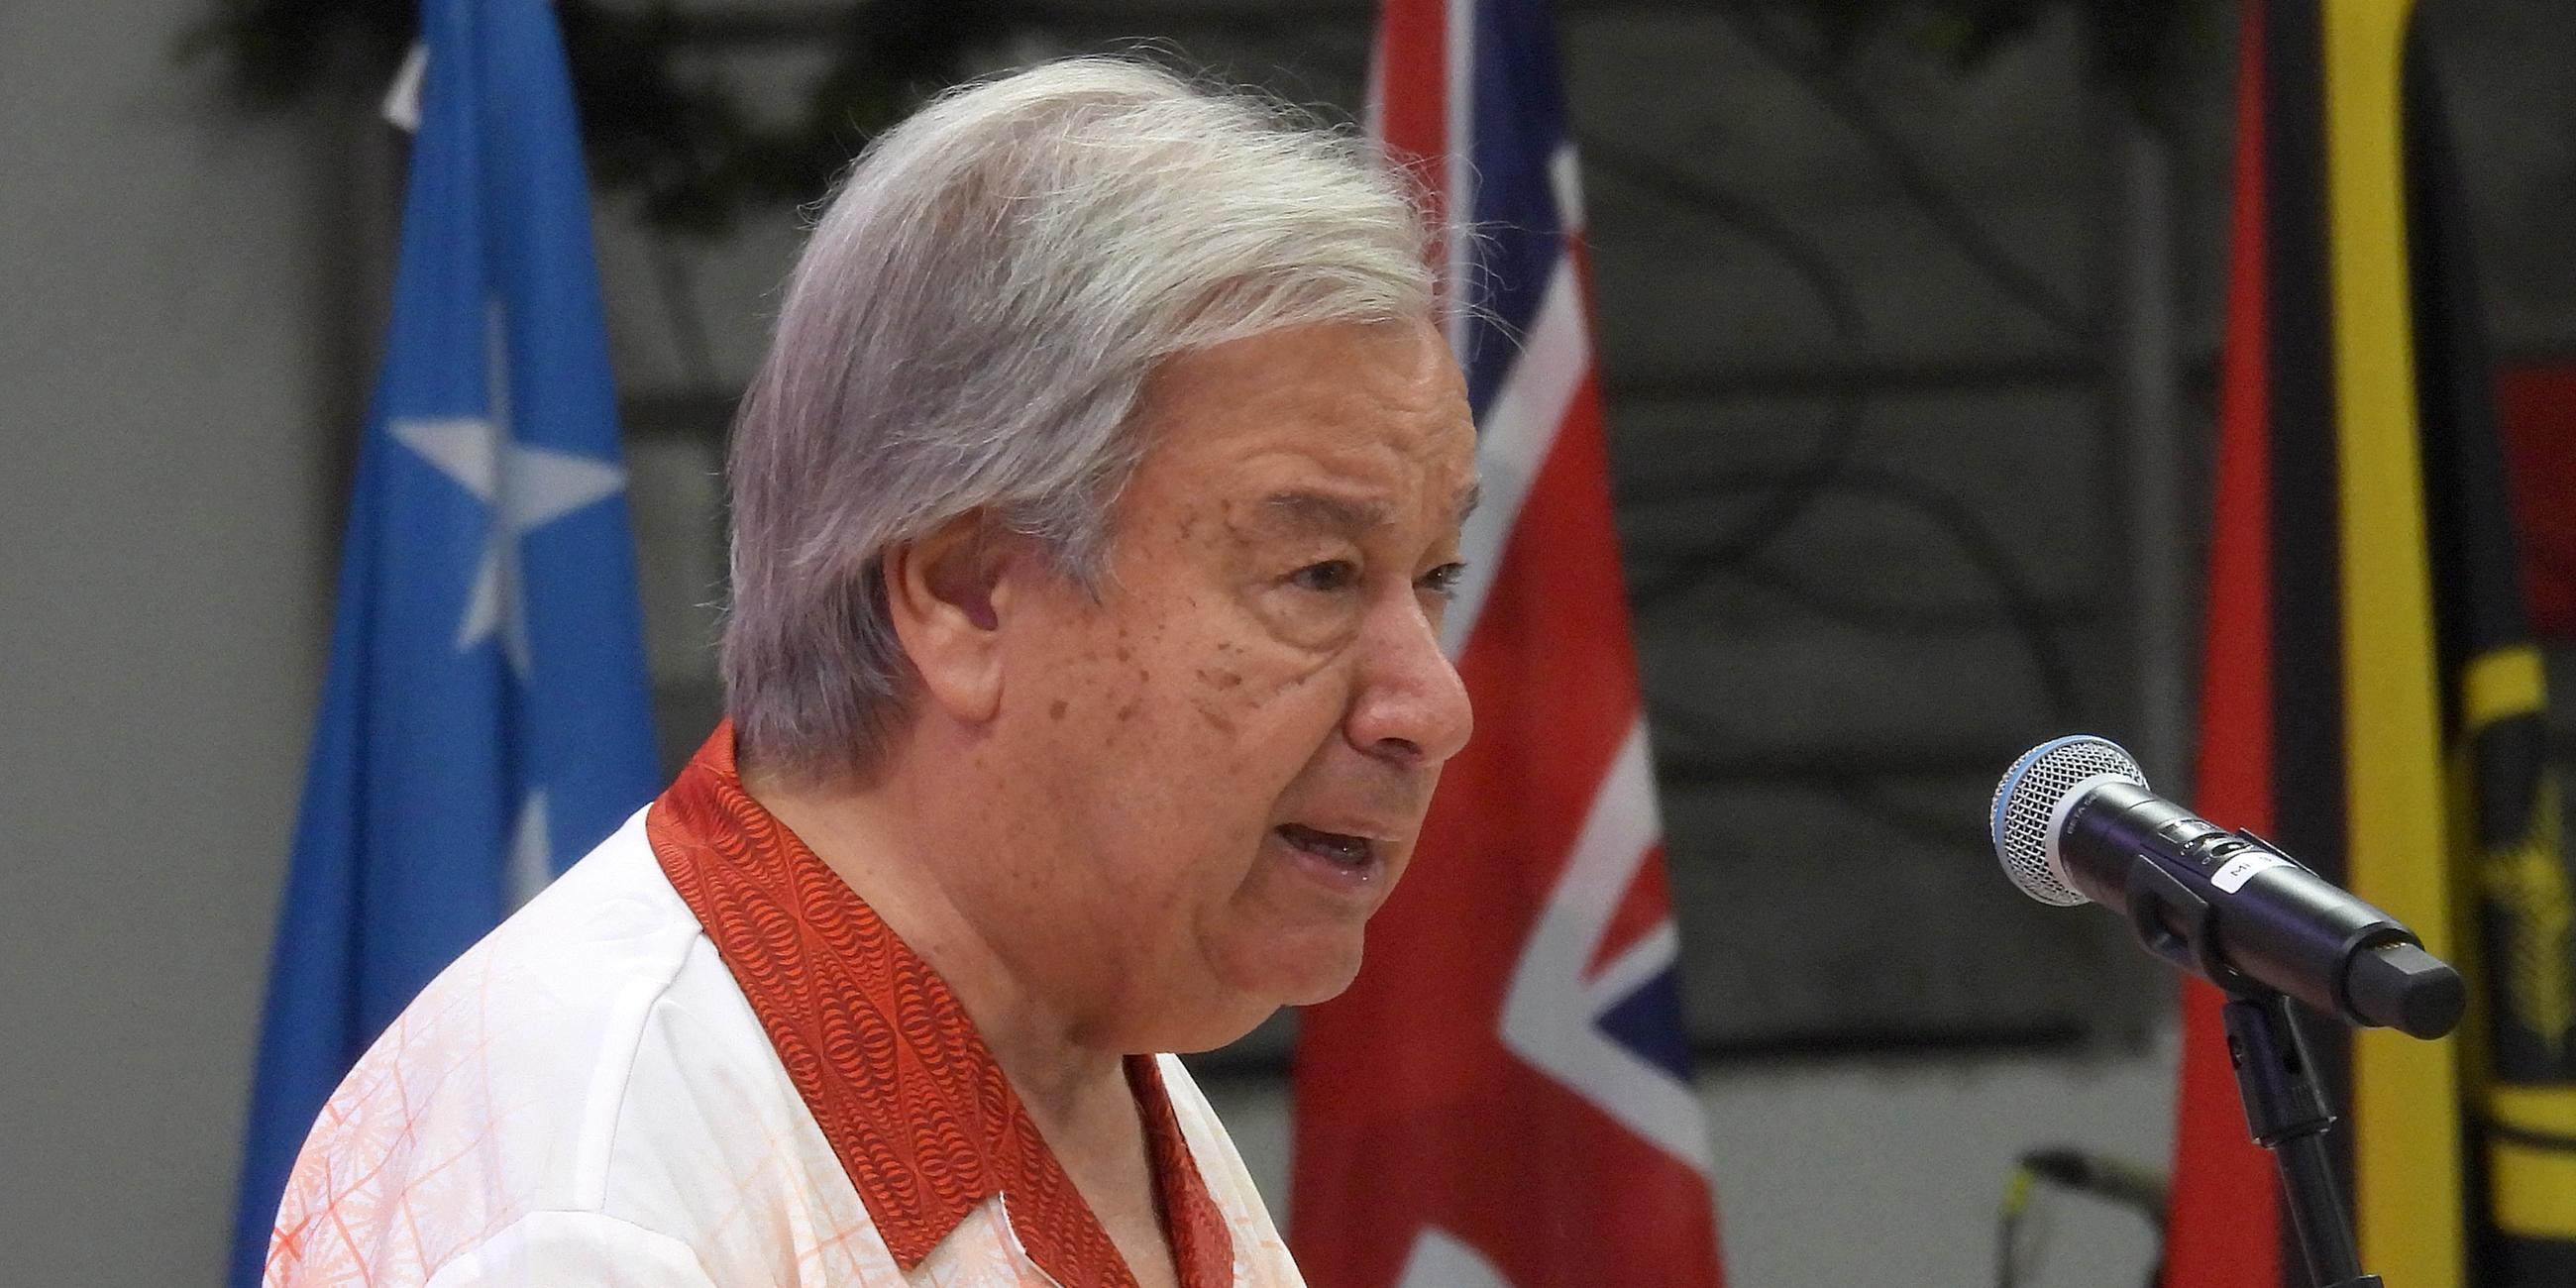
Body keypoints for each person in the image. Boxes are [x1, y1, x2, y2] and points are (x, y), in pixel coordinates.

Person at [263, 56, 1477, 1288]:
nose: (1431, 706)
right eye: (1320, 574)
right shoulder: (589, 1190)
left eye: (1436, 576)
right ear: (961, 596)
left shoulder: (1099, 1062)